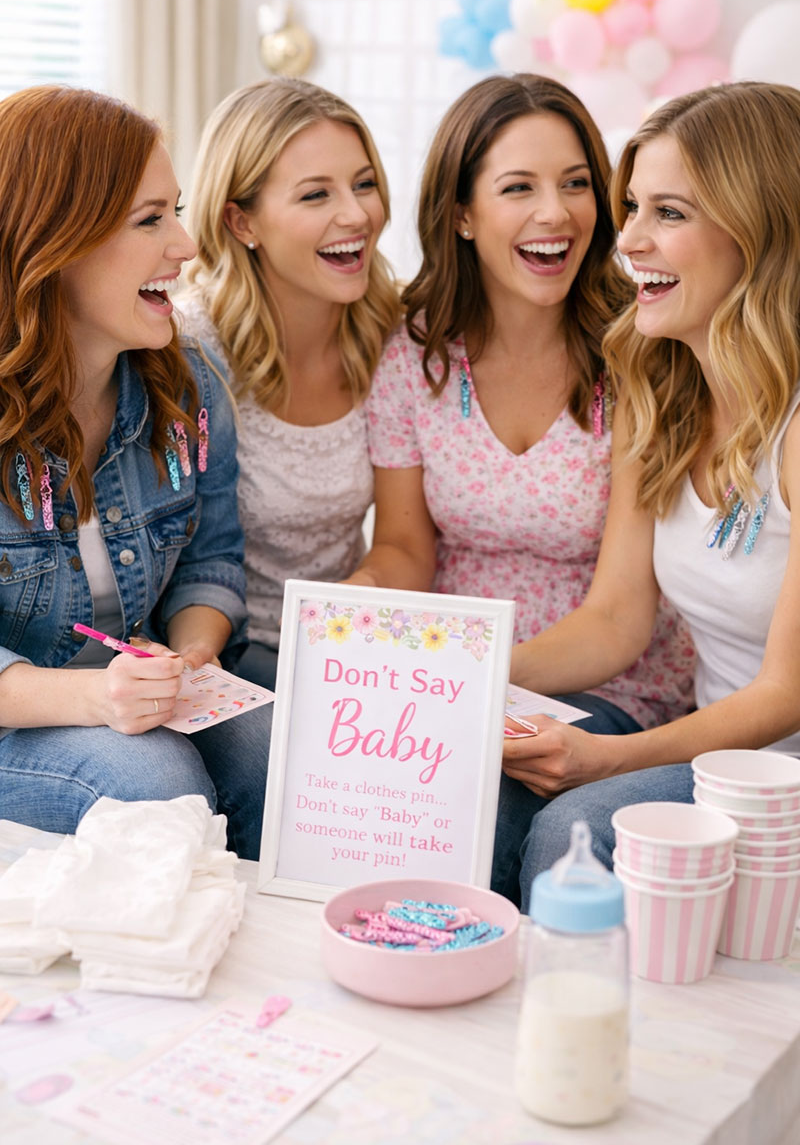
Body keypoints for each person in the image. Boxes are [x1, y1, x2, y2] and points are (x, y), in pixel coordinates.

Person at [346, 74, 694, 848]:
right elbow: (404, 547)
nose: (556, 213)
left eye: (577, 184)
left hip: (605, 691)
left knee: (472, 821)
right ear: (464, 214)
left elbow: (619, 619)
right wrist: (354, 611)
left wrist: (468, 681)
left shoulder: (640, 352)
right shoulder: (413, 353)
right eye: (519, 187)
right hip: (457, 684)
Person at [497, 79, 800, 907]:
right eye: (631, 206)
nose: (627, 238)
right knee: (486, 801)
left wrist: (609, 759)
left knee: (576, 831)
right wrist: (467, 680)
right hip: (720, 762)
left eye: (669, 213)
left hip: (779, 782)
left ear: (760, 231)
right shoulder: (660, 384)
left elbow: (787, 691)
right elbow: (617, 618)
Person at [0, 85, 270, 861]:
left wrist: (191, 653)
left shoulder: (187, 384)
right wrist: (94, 696)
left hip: (136, 699)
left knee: (279, 753)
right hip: (26, 717)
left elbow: (211, 562)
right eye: (150, 220)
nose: (186, 244)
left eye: (175, 211)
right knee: (152, 779)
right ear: (56, 240)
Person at [179, 78, 400, 690]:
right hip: (222, 651)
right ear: (241, 221)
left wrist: (346, 615)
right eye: (315, 195)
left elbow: (403, 541)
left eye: (364, 184)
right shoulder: (187, 349)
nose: (356, 215)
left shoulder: (392, 333)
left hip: (349, 647)